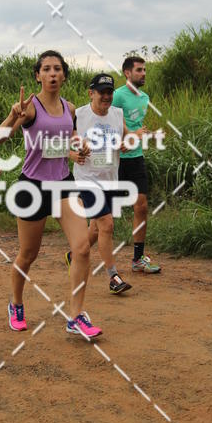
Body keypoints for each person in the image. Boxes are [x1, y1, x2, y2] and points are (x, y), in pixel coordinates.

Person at [0, 50, 102, 338]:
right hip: (32, 187)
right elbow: (0, 138)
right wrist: (12, 116)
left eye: (57, 69)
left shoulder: (69, 109)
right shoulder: (30, 108)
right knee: (28, 254)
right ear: (38, 75)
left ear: (64, 75)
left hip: (64, 185)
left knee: (82, 247)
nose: (53, 73)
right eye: (46, 69)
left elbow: (61, 144)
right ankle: (15, 303)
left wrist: (78, 149)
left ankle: (76, 315)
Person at [67, 73, 133, 295]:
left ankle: (73, 254)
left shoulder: (117, 113)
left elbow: (129, 136)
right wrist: (72, 154)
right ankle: (113, 276)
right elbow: (59, 143)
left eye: (109, 92)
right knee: (106, 224)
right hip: (87, 179)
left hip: (110, 178)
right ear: (91, 93)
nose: (106, 97)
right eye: (101, 92)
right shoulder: (79, 115)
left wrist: (128, 143)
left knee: (96, 228)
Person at [112, 56, 161, 274]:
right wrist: (130, 136)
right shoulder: (117, 96)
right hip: (116, 160)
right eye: (139, 70)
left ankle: (138, 259)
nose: (143, 73)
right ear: (127, 73)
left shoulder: (144, 97)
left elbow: (134, 126)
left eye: (144, 70)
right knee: (103, 216)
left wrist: (139, 135)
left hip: (136, 158)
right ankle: (77, 252)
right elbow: (111, 123)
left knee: (141, 206)